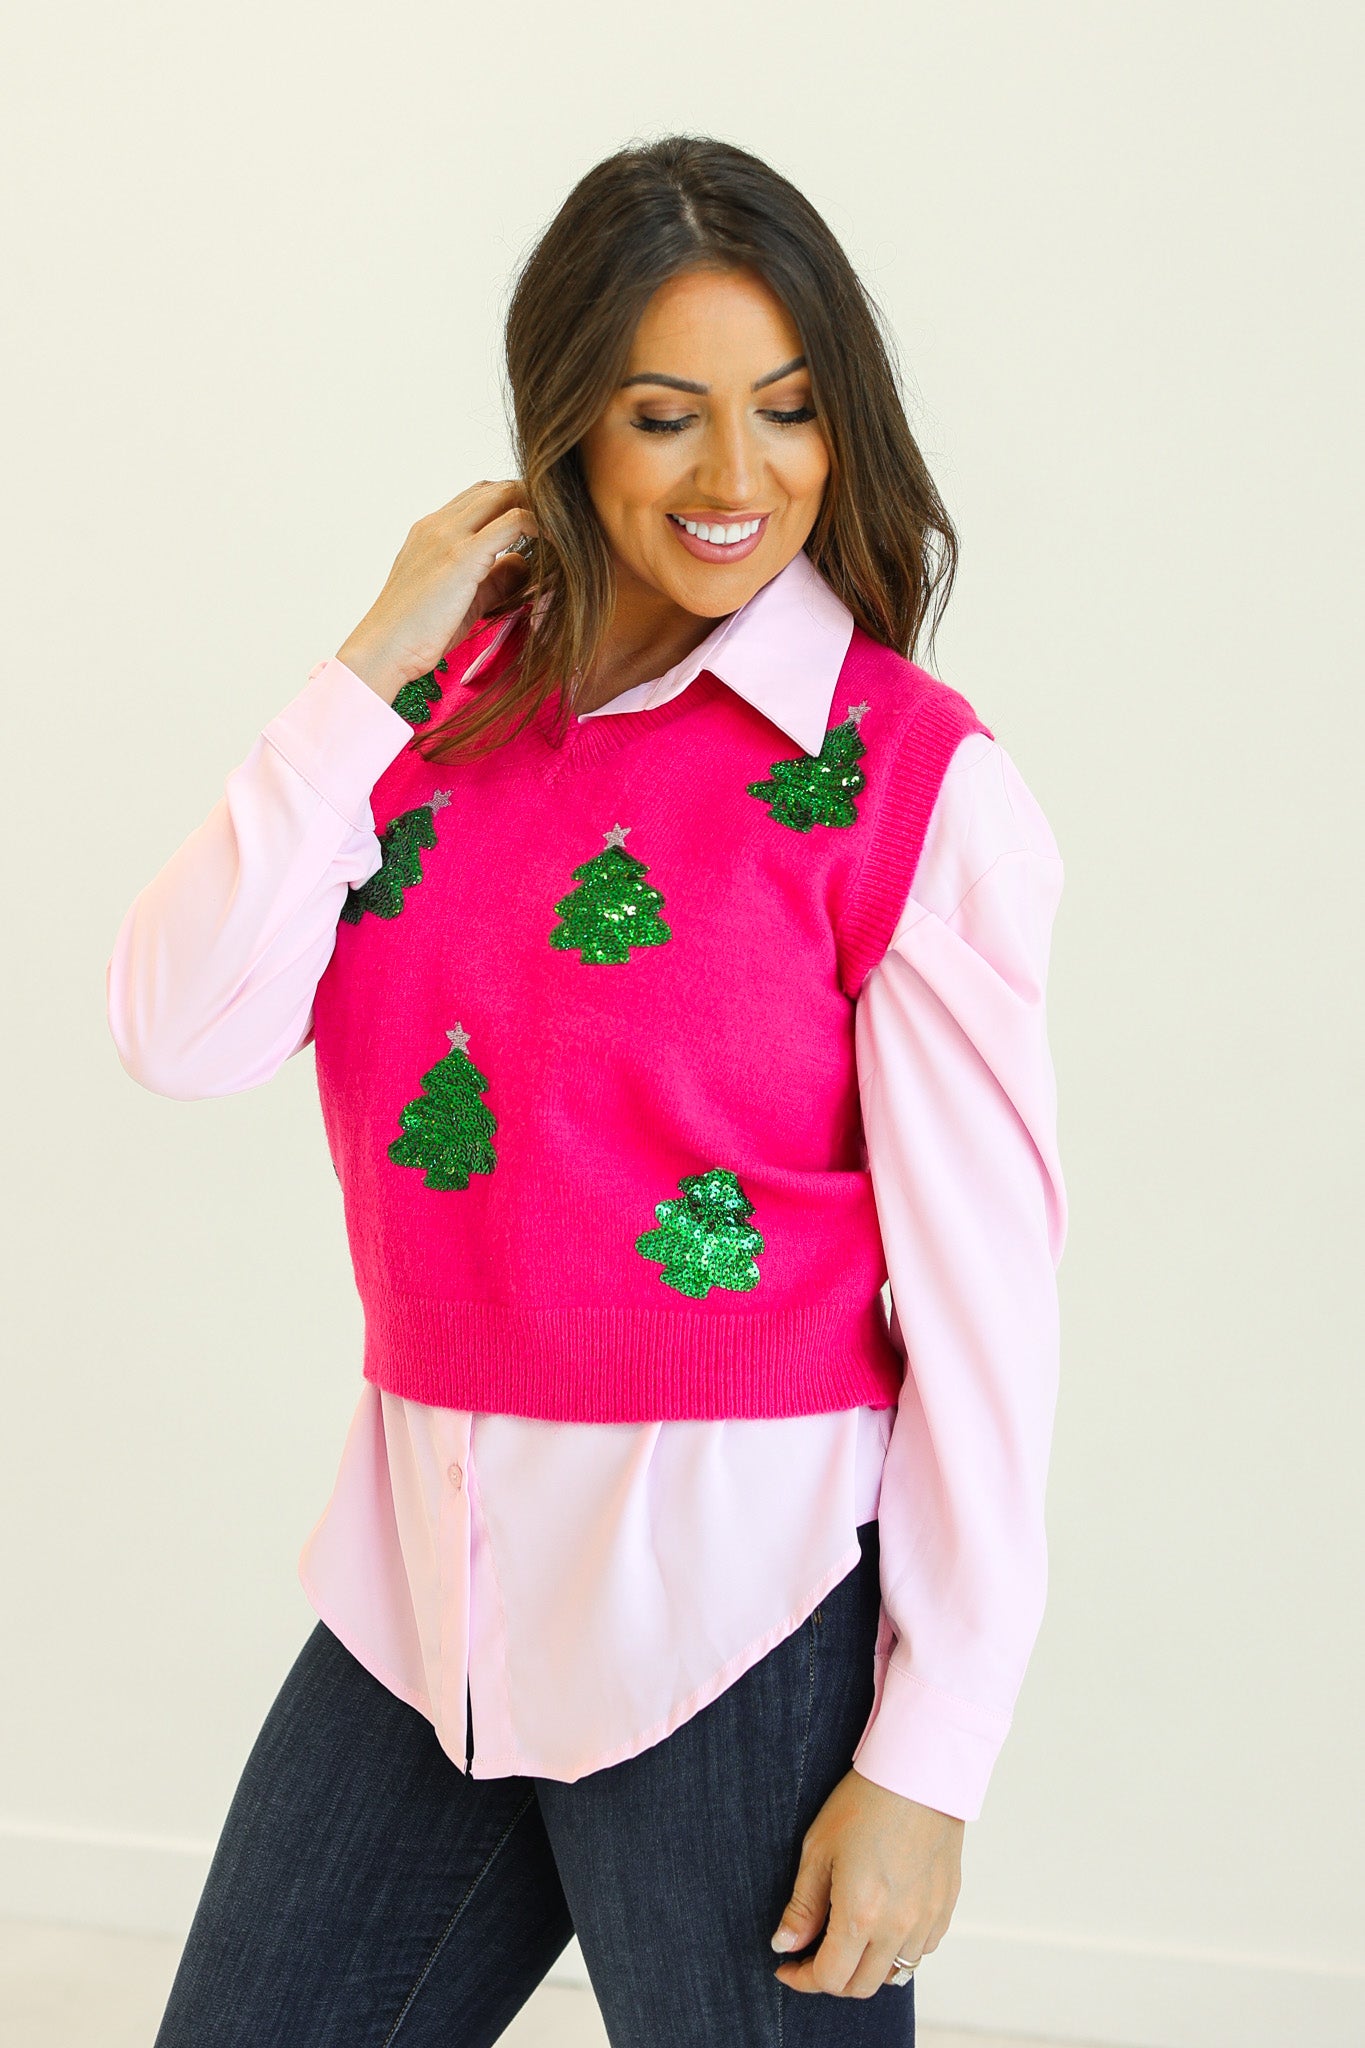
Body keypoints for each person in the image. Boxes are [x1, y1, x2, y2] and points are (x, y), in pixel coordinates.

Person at [107, 134, 1067, 2047]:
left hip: (735, 1620)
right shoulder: (432, 711)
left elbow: (987, 1313)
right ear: (566, 420)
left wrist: (931, 1753)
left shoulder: (904, 782)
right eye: (664, 415)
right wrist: (371, 659)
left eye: (787, 410)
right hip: (423, 1609)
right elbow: (179, 1030)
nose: (736, 479)